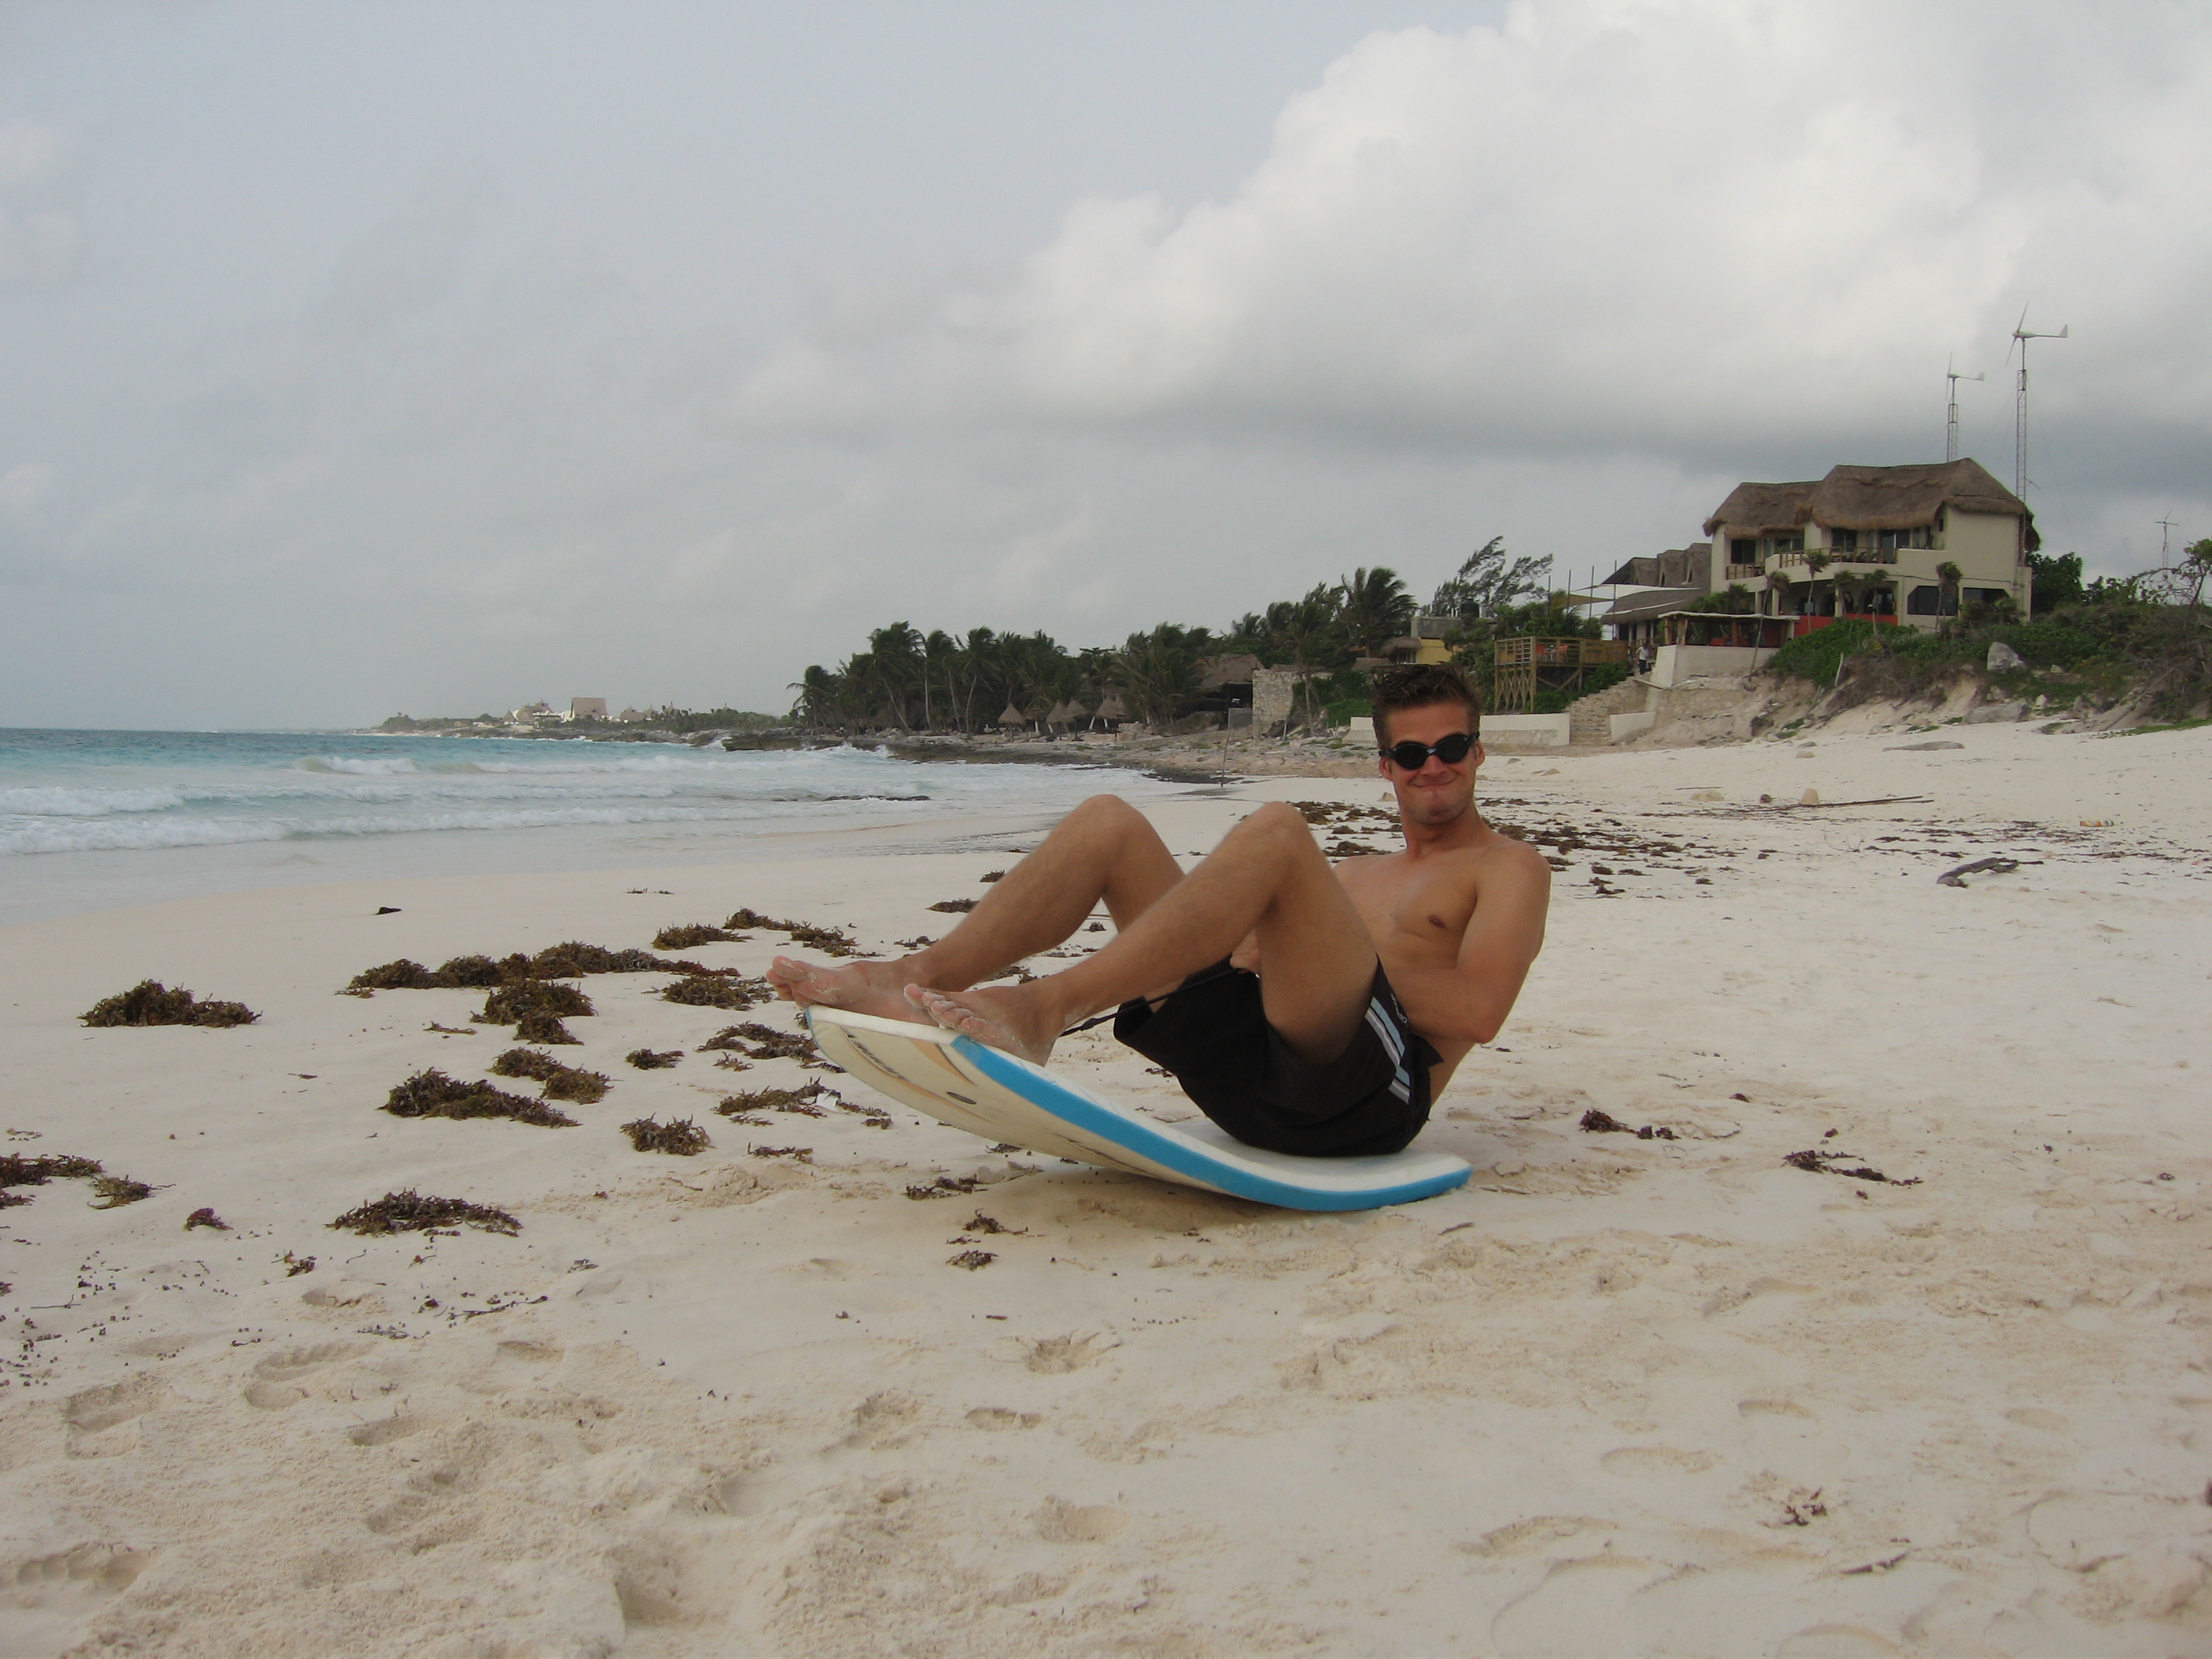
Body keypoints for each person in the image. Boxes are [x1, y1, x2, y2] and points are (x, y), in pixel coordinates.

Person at [766, 663, 1552, 1158]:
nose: (1434, 768)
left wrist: (1277, 954)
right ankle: (908, 977)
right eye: (1413, 755)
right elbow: (1269, 959)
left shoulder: (1507, 867)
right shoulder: (1353, 875)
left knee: (1278, 830)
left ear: (1479, 752)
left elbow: (1481, 1010)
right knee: (1110, 820)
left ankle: (1045, 1008)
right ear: (1387, 767)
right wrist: (1256, 949)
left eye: (1452, 748)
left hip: (1362, 1107)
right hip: (1247, 1091)